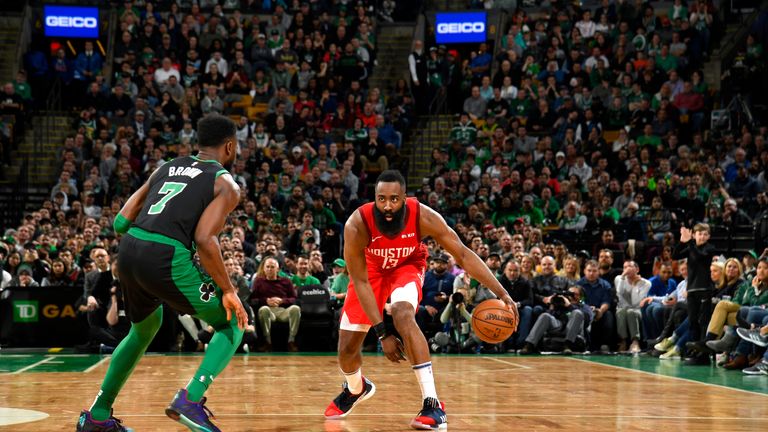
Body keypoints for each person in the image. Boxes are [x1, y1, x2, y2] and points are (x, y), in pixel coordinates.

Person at [77, 114, 248, 432]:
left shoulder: (165, 168)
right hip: (167, 255)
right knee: (232, 321)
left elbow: (120, 222)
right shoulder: (225, 183)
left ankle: (98, 416)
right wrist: (228, 289)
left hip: (129, 250)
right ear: (230, 146)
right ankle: (190, 400)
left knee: (143, 329)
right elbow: (204, 238)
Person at [323, 170, 516, 430]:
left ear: (405, 198)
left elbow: (462, 254)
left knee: (403, 313)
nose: (387, 206)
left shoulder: (423, 216)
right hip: (370, 272)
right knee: (346, 350)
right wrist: (382, 333)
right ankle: (357, 389)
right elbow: (361, 282)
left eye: (394, 199)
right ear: (375, 199)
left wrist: (502, 292)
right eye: (381, 199)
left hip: (407, 265)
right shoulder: (357, 224)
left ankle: (432, 404)